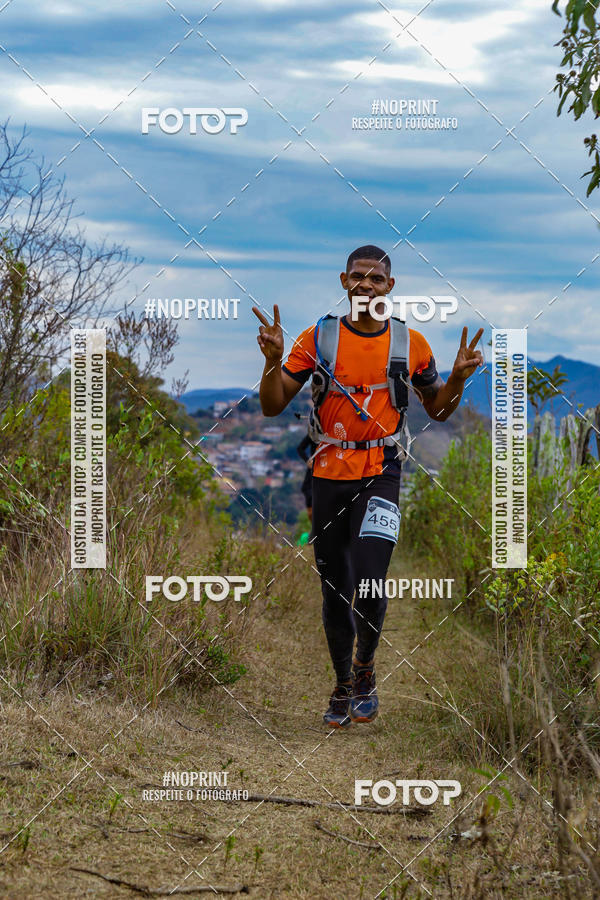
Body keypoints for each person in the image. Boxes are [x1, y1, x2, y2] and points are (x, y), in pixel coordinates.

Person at [253, 245, 483, 728]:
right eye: (358, 276)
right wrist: (273, 362)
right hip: (327, 475)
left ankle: (365, 668)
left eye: (376, 279)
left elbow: (438, 409)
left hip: (383, 471)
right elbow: (273, 406)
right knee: (335, 587)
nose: (366, 285)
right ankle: (340, 685)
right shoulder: (317, 338)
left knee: (372, 576)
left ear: (390, 288)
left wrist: (458, 379)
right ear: (344, 281)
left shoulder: (411, 344)